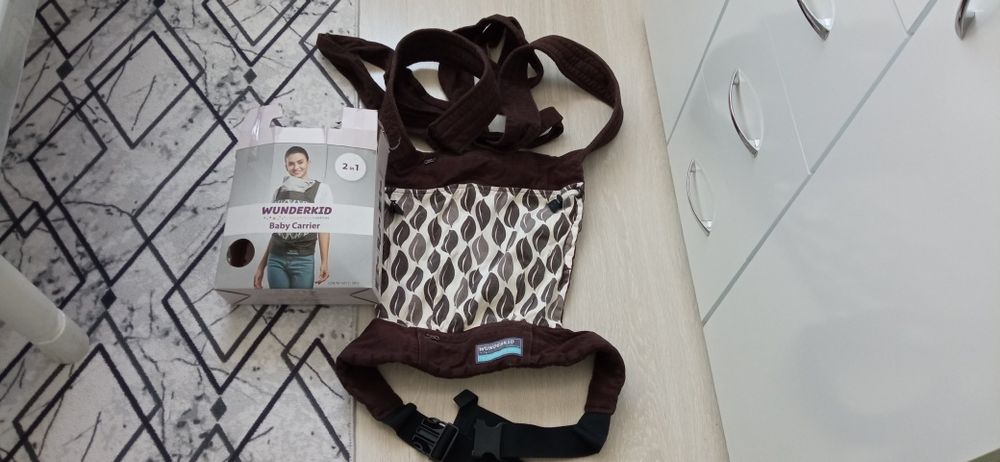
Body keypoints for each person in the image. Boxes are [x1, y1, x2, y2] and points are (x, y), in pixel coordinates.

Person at [253, 146, 333, 289]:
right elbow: (276, 232)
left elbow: (324, 228)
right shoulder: (278, 192)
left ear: (308, 162)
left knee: (301, 300)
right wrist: (261, 266)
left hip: (303, 260)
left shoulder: (322, 190)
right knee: (279, 301)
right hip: (275, 260)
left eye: (300, 162)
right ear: (286, 166)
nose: (296, 167)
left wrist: (324, 262)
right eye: (291, 164)